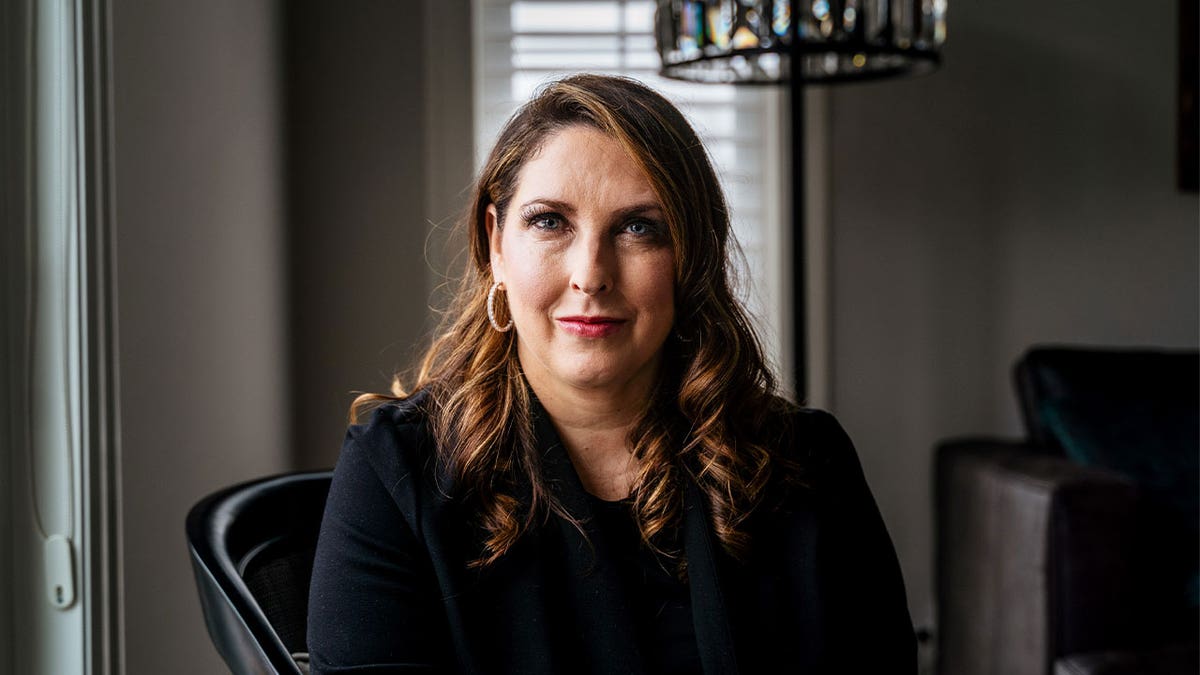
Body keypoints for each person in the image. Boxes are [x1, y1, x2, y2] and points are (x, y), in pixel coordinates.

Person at [306, 74, 915, 674]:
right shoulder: (396, 469)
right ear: (496, 245)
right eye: (550, 221)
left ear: (690, 258)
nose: (591, 274)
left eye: (638, 228)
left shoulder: (807, 463)